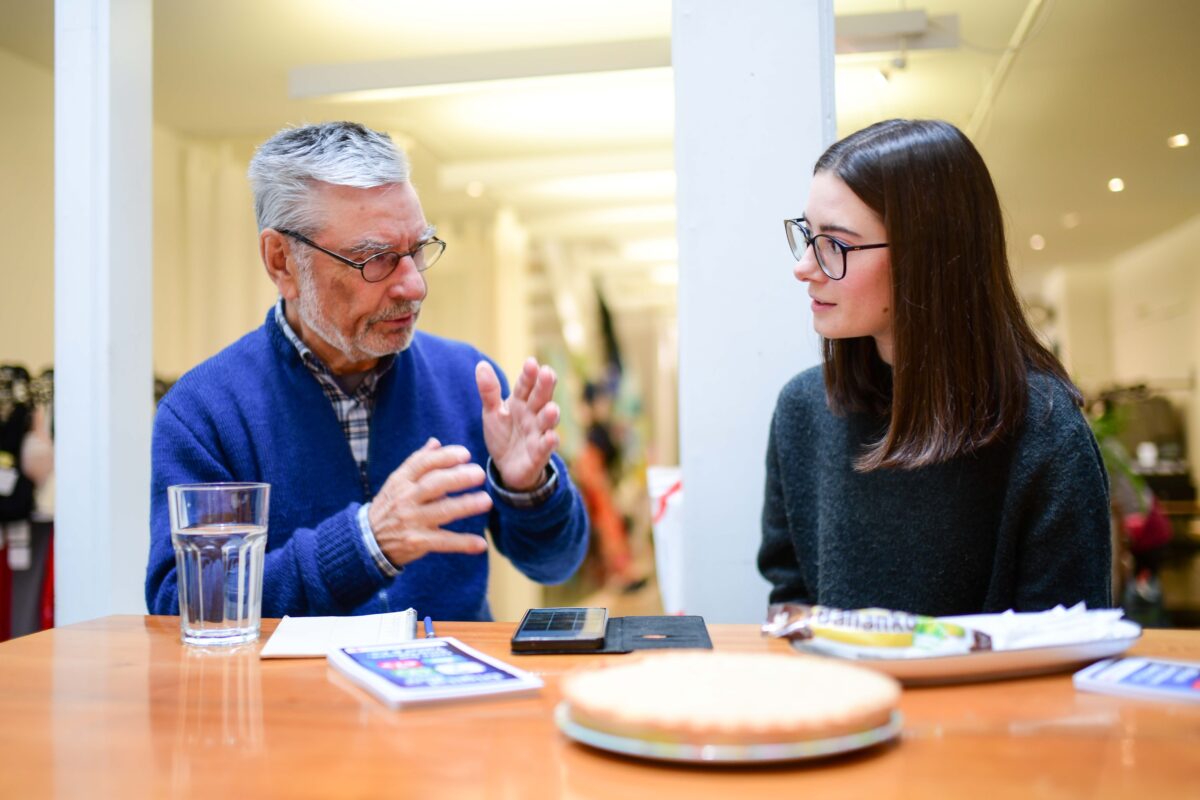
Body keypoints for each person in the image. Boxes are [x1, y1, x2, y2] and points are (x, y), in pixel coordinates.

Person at [145, 122, 588, 621]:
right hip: (295, 699)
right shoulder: (206, 411)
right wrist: (365, 544)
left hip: (453, 691)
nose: (414, 286)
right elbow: (185, 605)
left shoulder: (468, 380)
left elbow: (555, 563)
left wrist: (528, 490)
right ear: (281, 261)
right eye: (375, 259)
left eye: (418, 250)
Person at [758, 119, 1112, 616]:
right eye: (806, 234)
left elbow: (1068, 644)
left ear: (926, 257)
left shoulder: (1044, 431)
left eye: (835, 244)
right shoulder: (803, 409)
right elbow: (791, 606)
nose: (804, 267)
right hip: (846, 695)